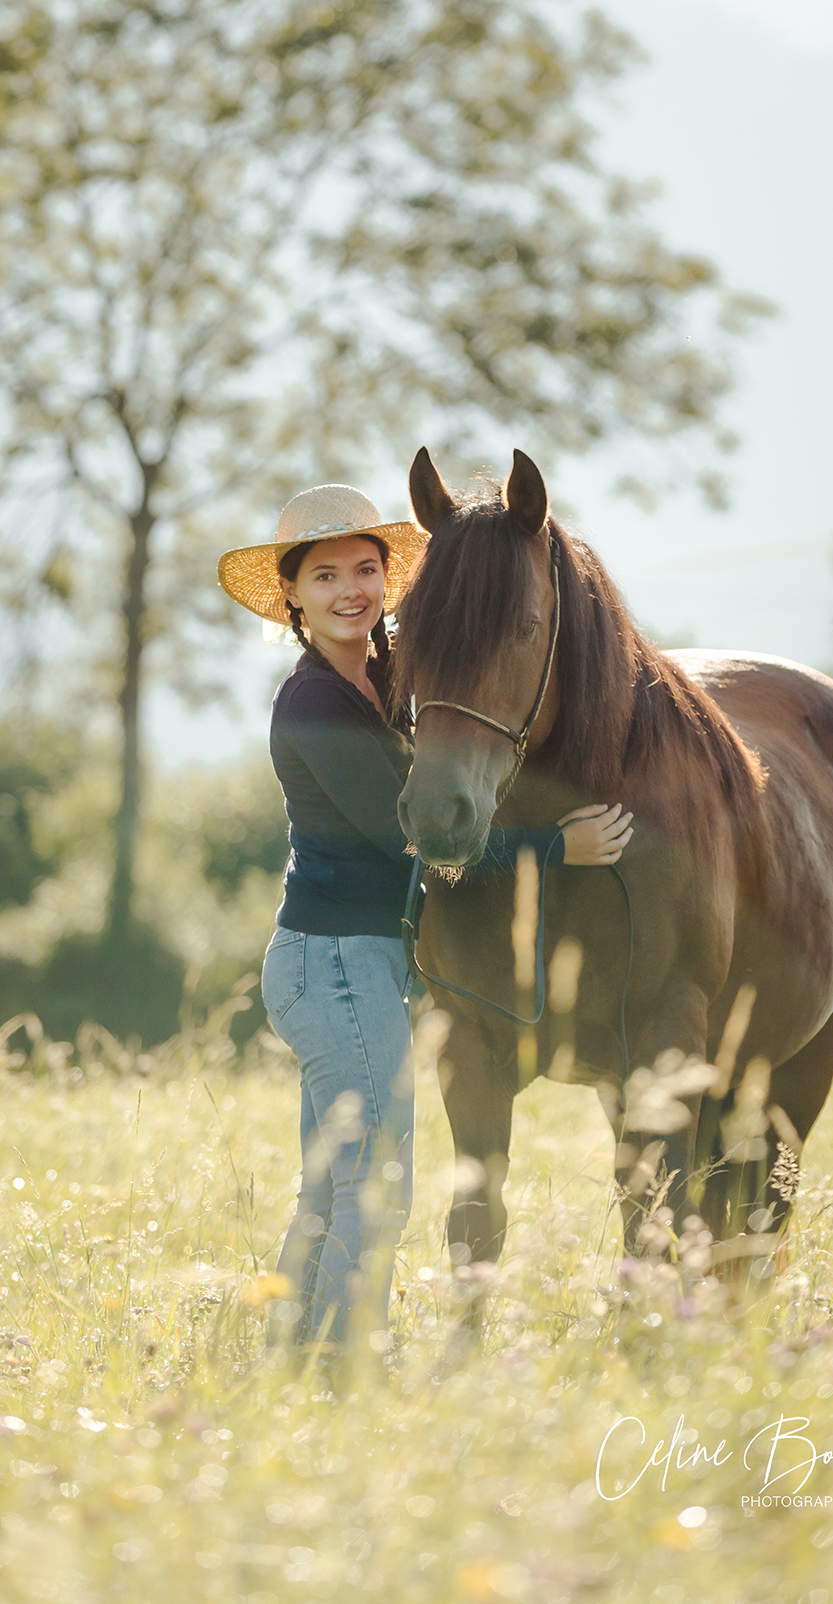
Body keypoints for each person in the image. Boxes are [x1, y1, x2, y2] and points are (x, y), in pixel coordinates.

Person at [218, 485, 633, 1354]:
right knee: (375, 1183)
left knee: (333, 1184)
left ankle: (296, 1353)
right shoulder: (314, 705)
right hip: (333, 965)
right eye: (325, 575)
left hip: (347, 963)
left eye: (366, 569)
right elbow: (416, 839)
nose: (351, 591)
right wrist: (560, 850)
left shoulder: (376, 678)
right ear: (291, 595)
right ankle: (339, 1359)